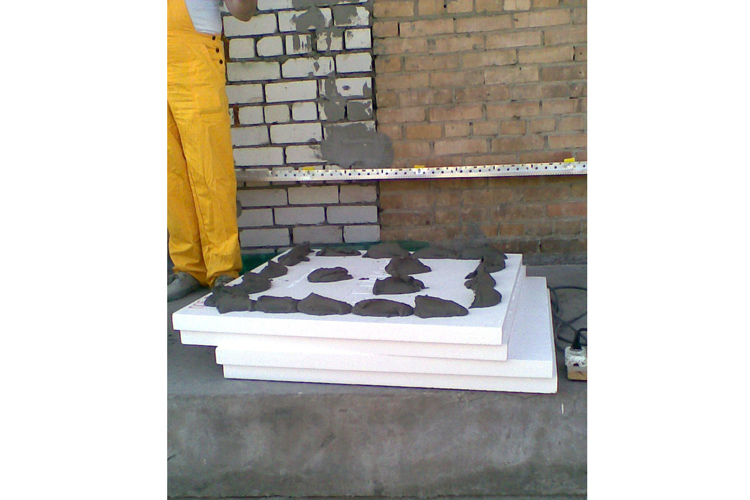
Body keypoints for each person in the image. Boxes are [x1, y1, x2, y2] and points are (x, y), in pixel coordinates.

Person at [167, 0, 257, 301]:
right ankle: (188, 267)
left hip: (194, 60)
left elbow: (243, 11)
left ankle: (222, 267)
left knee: (209, 166)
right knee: (170, 175)